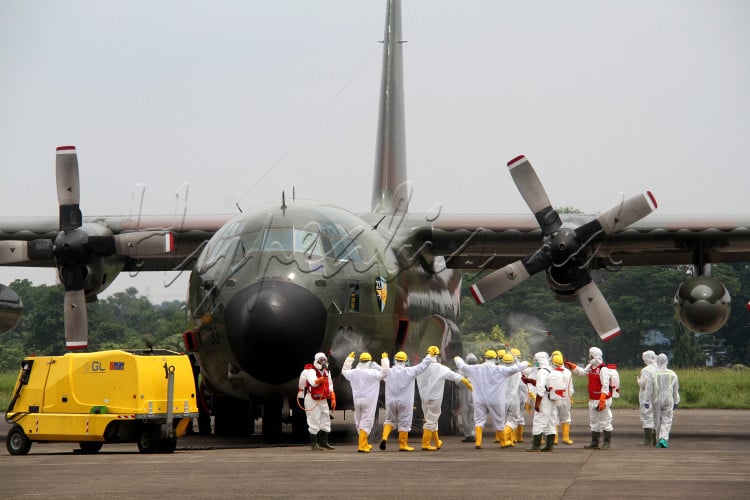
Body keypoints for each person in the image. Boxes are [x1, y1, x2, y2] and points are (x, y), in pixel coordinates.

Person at [454, 349, 528, 450]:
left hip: (480, 399)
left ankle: (478, 443)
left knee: (479, 420)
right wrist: (525, 363)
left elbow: (462, 366)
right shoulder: (500, 369)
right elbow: (516, 368)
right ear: (495, 358)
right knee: (500, 421)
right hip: (496, 399)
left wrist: (457, 358)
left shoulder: (476, 368)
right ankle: (503, 442)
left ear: (485, 357)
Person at [416, 345, 473, 451]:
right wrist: (466, 381)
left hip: (424, 398)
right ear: (437, 356)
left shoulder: (420, 367)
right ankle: (425, 444)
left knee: (431, 420)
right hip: (435, 398)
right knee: (431, 421)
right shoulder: (441, 368)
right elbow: (454, 376)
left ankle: (437, 442)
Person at [380, 351, 433, 451]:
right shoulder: (410, 371)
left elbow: (377, 368)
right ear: (406, 361)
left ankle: (384, 437)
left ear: (395, 361)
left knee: (389, 420)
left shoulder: (388, 371)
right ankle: (403, 445)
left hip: (391, 401)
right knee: (404, 423)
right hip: (405, 402)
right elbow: (423, 365)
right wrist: (430, 355)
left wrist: (384, 360)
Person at [566, 346, 614, 449]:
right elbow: (583, 372)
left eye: (590, 355)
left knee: (605, 420)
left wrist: (602, 400)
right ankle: (594, 442)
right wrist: (574, 367)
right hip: (593, 399)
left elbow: (605, 386)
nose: (589, 356)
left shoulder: (603, 369)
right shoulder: (591, 366)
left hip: (602, 399)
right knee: (594, 421)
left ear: (594, 356)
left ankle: (607, 443)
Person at [341, 351, 390, 453]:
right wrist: (385, 360)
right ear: (369, 361)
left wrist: (349, 360)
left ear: (360, 361)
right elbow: (385, 373)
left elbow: (344, 371)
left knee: (359, 421)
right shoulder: (373, 373)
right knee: (367, 422)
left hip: (357, 400)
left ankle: (364, 443)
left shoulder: (353, 372)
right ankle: (361, 446)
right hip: (369, 401)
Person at [297, 352, 336, 450]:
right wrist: (320, 380)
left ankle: (324, 442)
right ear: (317, 360)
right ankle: (314, 444)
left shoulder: (327, 372)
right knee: (314, 419)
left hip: (322, 399)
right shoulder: (311, 371)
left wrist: (332, 396)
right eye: (321, 359)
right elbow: (313, 383)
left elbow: (330, 384)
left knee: (325, 418)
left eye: (324, 359)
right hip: (312, 398)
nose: (323, 362)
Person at [645, 353, 680, 448]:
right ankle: (663, 439)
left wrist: (646, 401)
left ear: (657, 361)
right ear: (666, 361)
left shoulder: (653, 374)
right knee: (667, 419)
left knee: (657, 420)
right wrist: (676, 401)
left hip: (656, 399)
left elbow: (649, 389)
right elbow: (675, 390)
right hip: (669, 399)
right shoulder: (672, 374)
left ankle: (657, 440)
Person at [551, 350, 575, 445]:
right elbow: (571, 386)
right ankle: (566, 438)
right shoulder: (568, 372)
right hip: (566, 398)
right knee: (566, 417)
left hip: (554, 398)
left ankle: (555, 438)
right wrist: (570, 396)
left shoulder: (550, 372)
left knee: (554, 418)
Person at [637, 350, 658, 446]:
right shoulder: (660, 368)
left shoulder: (646, 370)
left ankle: (648, 439)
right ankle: (656, 438)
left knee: (647, 416)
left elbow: (645, 385)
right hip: (659, 396)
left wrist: (639, 382)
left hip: (648, 396)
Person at [459, 353, 478, 443]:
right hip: (464, 395)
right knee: (465, 414)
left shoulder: (479, 370)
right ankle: (468, 435)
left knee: (474, 414)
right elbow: (457, 381)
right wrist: (465, 380)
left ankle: (474, 433)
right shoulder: (462, 370)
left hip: (475, 395)